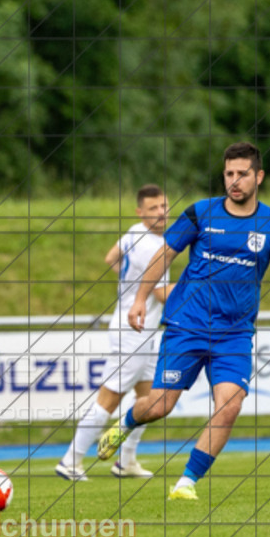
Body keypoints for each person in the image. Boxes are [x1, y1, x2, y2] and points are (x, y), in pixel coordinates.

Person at [97, 141, 270, 500]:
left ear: (259, 176)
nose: (234, 181)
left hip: (234, 334)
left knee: (231, 404)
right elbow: (164, 254)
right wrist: (140, 298)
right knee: (159, 405)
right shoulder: (200, 213)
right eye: (229, 174)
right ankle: (126, 423)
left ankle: (186, 482)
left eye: (242, 174)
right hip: (186, 326)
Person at [56, 185, 173, 482]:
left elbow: (111, 258)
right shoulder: (154, 247)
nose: (161, 213)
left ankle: (126, 461)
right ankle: (71, 461)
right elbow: (162, 295)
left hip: (141, 329)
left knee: (149, 398)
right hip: (132, 330)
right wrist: (200, 292)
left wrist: (131, 284)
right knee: (110, 398)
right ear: (140, 212)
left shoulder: (135, 232)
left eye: (164, 206)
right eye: (154, 208)